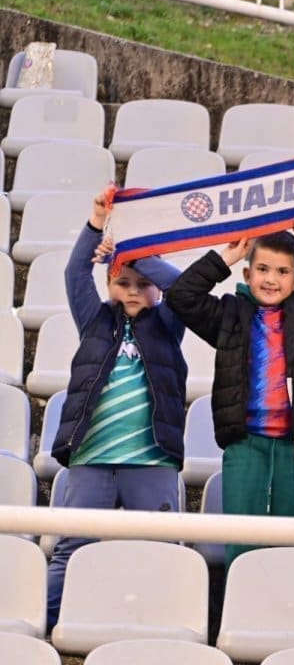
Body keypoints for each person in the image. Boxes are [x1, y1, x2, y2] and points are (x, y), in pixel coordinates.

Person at [166, 219, 294, 566]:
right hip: (245, 445)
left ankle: (287, 601)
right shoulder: (229, 314)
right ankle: (238, 601)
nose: (271, 279)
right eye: (262, 269)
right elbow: (181, 296)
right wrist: (226, 257)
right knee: (243, 547)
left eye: (282, 271)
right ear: (247, 275)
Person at [46, 193, 189, 628]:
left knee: (159, 549)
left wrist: (135, 252)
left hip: (152, 460)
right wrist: (97, 222)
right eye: (122, 281)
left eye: (142, 282)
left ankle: (162, 629)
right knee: (72, 548)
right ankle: (44, 624)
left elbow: (183, 286)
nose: (132, 290)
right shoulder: (95, 320)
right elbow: (75, 272)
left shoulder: (168, 324)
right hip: (92, 458)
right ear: (109, 284)